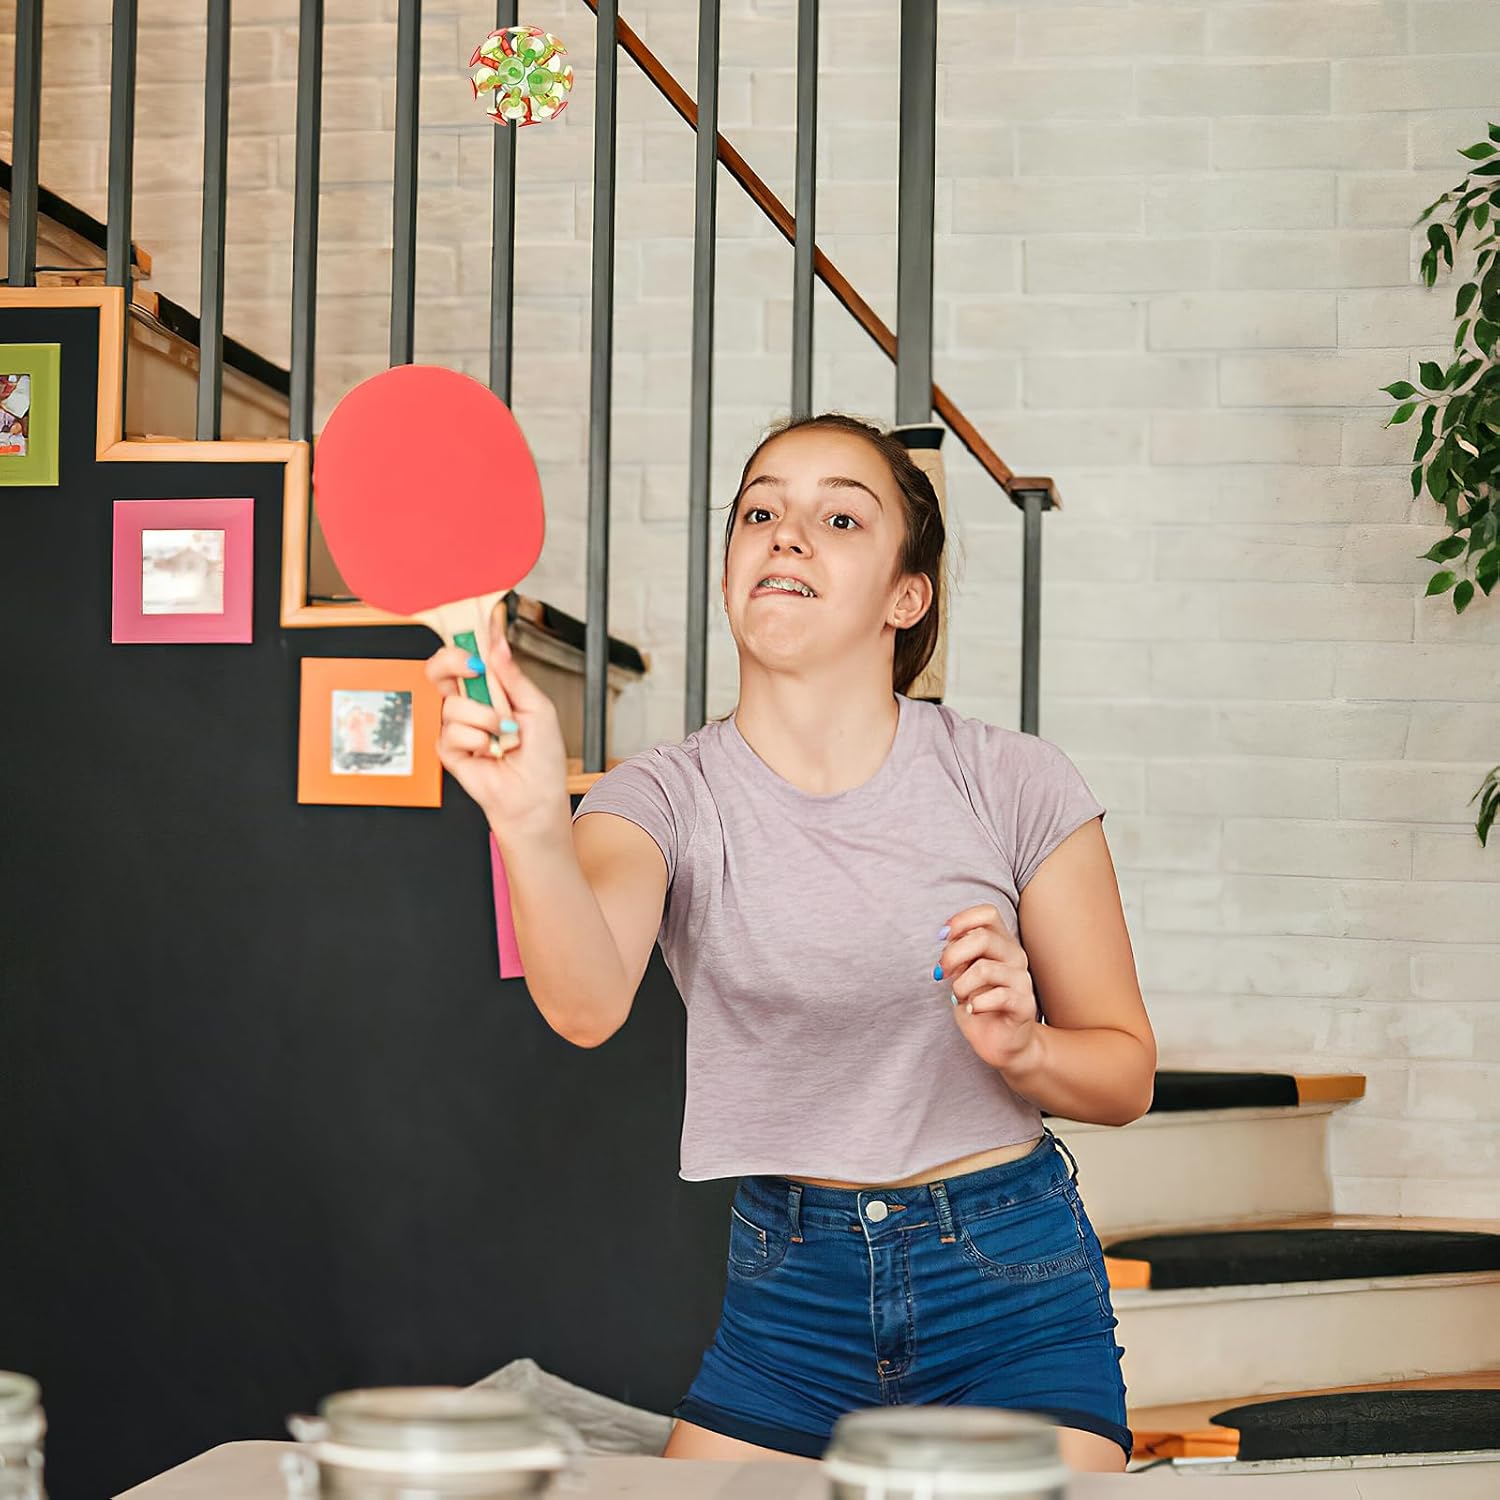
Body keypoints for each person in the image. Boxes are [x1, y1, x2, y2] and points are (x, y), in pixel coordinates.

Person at [426, 412, 1156, 1473]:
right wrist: (532, 823)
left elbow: (1126, 1076)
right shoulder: (661, 795)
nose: (787, 534)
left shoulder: (1014, 781)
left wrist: (1026, 1049)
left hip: (1007, 1287)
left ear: (907, 598)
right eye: (759, 512)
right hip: (790, 1300)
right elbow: (584, 1007)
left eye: (840, 519)